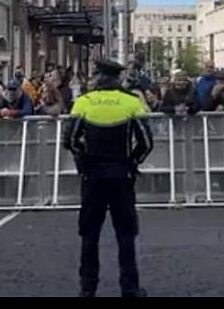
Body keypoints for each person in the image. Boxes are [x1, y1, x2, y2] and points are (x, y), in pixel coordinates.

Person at [63, 60, 153, 298]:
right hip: (121, 175)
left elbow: (69, 140)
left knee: (89, 233)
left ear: (97, 78)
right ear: (118, 79)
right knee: (125, 233)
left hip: (92, 176)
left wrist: (83, 163)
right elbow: (146, 143)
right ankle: (130, 288)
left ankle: (87, 287)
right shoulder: (131, 102)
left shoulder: (84, 102)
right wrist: (132, 162)